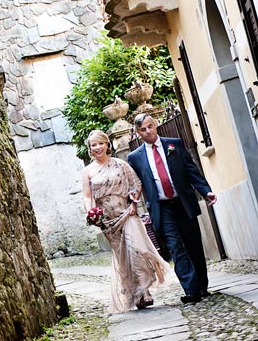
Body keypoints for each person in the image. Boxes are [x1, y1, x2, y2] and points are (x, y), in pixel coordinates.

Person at [127, 114, 217, 304]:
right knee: (176, 247)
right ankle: (191, 290)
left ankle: (202, 285)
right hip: (161, 207)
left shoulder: (174, 144)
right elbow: (136, 183)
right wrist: (133, 196)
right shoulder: (134, 157)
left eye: (150, 126)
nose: (148, 131)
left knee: (193, 245)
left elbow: (192, 170)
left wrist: (206, 191)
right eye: (143, 129)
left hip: (183, 203)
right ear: (138, 133)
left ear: (155, 124)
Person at [82, 130, 171, 313]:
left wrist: (133, 204)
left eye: (101, 143)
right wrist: (91, 212)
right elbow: (87, 196)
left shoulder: (120, 164)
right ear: (90, 149)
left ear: (107, 145)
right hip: (108, 221)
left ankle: (145, 291)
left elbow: (136, 184)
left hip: (127, 213)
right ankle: (135, 295)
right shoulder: (88, 171)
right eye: (93, 145)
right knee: (123, 257)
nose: (97, 148)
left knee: (136, 250)